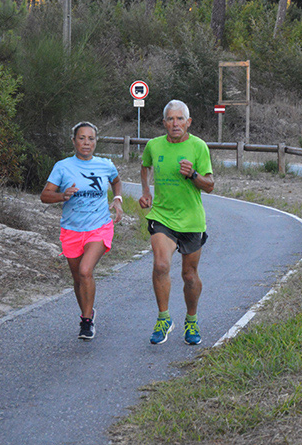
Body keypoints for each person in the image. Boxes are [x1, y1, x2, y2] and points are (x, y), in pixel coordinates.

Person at [139, 100, 214, 345]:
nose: (175, 124)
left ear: (188, 122)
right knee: (161, 265)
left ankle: (191, 321)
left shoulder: (199, 147)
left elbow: (210, 186)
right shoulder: (153, 145)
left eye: (180, 119)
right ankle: (163, 318)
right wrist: (146, 191)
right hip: (162, 216)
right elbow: (145, 166)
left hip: (191, 220)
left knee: (189, 275)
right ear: (164, 123)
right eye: (170, 119)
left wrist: (193, 175)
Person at [41, 122, 123, 341]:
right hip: (72, 230)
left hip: (99, 226)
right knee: (78, 278)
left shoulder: (105, 164)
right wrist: (63, 196)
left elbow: (116, 181)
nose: (86, 143)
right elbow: (45, 195)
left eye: (91, 139)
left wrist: (117, 198)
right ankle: (88, 312)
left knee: (86, 271)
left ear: (96, 141)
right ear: (74, 141)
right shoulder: (62, 166)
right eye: (82, 138)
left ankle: (86, 321)